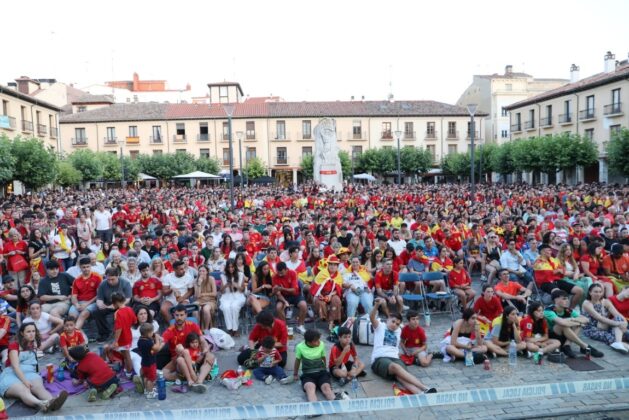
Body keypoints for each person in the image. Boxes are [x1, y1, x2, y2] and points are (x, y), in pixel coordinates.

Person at [369, 298, 436, 394]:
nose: (394, 325)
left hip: (395, 358)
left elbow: (411, 328)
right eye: (393, 321)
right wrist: (376, 306)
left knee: (401, 376)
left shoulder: (399, 330)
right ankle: (424, 387)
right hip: (380, 359)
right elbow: (372, 317)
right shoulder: (380, 326)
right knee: (395, 367)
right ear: (387, 319)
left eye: (397, 324)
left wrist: (414, 349)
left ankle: (420, 393)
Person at [0, 323, 68, 412]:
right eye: (28, 331)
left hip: (29, 373)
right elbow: (15, 367)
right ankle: (42, 404)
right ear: (22, 333)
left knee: (39, 388)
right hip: (11, 374)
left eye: (33, 331)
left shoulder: (32, 344)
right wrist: (25, 381)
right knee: (24, 390)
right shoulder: (14, 345)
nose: (32, 334)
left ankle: (53, 401)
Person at [543, 289, 604, 358]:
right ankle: (584, 346)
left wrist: (573, 319)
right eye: (564, 299)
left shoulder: (567, 309)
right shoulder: (548, 310)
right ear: (556, 300)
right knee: (563, 325)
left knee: (578, 324)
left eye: (567, 299)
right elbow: (562, 322)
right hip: (552, 336)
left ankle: (567, 345)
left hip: (565, 335)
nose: (567, 301)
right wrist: (576, 321)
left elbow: (586, 319)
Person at [293, 329, 348, 403]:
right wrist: (295, 374)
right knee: (310, 389)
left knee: (326, 389)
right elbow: (297, 360)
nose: (319, 342)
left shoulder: (321, 344)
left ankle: (335, 403)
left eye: (319, 339)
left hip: (321, 373)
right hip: (308, 374)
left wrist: (324, 370)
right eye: (316, 341)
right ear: (309, 342)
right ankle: (315, 407)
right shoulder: (300, 347)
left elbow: (323, 358)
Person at [160, 305, 210, 381]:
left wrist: (205, 350)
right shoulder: (170, 330)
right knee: (164, 373)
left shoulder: (193, 325)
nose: (179, 318)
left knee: (210, 356)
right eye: (177, 315)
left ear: (186, 315)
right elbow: (161, 343)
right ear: (174, 315)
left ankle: (199, 380)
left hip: (196, 355)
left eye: (181, 315)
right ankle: (189, 376)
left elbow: (202, 341)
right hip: (178, 358)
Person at [581, 283, 629, 353]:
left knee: (619, 320)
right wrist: (618, 324)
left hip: (606, 326)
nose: (598, 294)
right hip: (593, 329)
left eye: (600, 292)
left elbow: (617, 314)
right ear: (590, 292)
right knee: (613, 337)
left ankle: (618, 343)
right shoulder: (587, 303)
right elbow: (600, 318)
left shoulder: (605, 301)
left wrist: (624, 322)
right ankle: (619, 343)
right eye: (595, 292)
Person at [534, 244, 583, 310]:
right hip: (545, 283)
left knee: (579, 290)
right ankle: (558, 311)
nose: (550, 252)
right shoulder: (538, 262)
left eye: (550, 250)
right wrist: (556, 271)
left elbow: (562, 270)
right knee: (558, 293)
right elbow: (548, 273)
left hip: (556, 280)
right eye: (548, 250)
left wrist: (557, 271)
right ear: (542, 252)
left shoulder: (553, 260)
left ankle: (571, 309)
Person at [93, 268, 132, 343]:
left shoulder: (125, 283)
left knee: (122, 313)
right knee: (97, 312)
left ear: (118, 276)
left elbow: (128, 299)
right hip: (109, 304)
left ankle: (123, 333)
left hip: (122, 304)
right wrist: (100, 304)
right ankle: (105, 333)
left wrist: (116, 306)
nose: (110, 281)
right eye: (108, 279)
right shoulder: (103, 284)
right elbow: (99, 298)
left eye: (112, 279)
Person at [272, 262, 307, 335]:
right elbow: (278, 293)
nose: (280, 274)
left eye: (281, 272)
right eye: (278, 272)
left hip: (295, 295)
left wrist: (282, 288)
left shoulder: (292, 273)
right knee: (278, 307)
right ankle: (285, 326)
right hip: (283, 296)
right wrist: (284, 301)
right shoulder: (275, 276)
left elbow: (294, 290)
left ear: (286, 269)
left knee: (303, 305)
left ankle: (300, 325)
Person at [311, 255, 343, 333]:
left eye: (335, 265)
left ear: (337, 266)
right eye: (331, 264)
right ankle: (327, 320)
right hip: (320, 294)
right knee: (320, 303)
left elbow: (338, 289)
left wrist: (330, 295)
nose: (332, 266)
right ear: (328, 265)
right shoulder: (322, 274)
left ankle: (331, 322)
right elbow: (316, 288)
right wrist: (321, 295)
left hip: (331, 294)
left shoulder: (338, 275)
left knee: (336, 300)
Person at [109, 292, 138, 378]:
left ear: (116, 302)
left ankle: (129, 373)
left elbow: (118, 328)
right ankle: (127, 369)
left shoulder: (118, 313)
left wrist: (116, 341)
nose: (112, 305)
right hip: (129, 334)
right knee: (126, 354)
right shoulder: (129, 309)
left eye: (113, 303)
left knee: (126, 355)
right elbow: (135, 321)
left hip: (122, 338)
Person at [69, 257, 102, 331]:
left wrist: (87, 304)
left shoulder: (97, 277)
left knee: (84, 314)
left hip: (92, 302)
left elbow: (99, 294)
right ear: (80, 267)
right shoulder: (77, 280)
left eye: (88, 266)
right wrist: (76, 305)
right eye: (84, 267)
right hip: (79, 302)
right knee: (72, 316)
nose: (86, 269)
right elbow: (73, 297)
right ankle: (77, 335)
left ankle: (74, 334)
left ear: (91, 266)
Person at [219, 259, 247, 337]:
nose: (231, 269)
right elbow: (221, 291)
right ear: (227, 268)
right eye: (229, 267)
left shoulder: (240, 274)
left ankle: (235, 329)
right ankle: (230, 329)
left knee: (234, 307)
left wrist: (236, 285)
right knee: (226, 307)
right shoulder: (223, 275)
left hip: (238, 296)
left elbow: (243, 290)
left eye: (232, 267)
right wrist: (225, 286)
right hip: (227, 296)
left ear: (235, 267)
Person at [135, 322, 162, 399]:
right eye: (152, 332)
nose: (153, 333)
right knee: (152, 379)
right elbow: (156, 348)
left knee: (146, 377)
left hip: (144, 363)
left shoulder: (140, 340)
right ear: (148, 333)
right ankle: (150, 393)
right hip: (151, 363)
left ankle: (147, 390)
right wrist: (157, 339)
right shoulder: (148, 342)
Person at [194, 265, 217, 330]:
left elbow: (214, 294)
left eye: (203, 271)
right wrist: (199, 284)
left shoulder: (211, 279)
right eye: (200, 271)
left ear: (207, 272)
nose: (201, 273)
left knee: (206, 309)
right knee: (195, 310)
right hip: (199, 300)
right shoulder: (196, 281)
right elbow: (197, 296)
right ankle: (197, 329)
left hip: (210, 300)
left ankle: (206, 329)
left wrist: (203, 294)